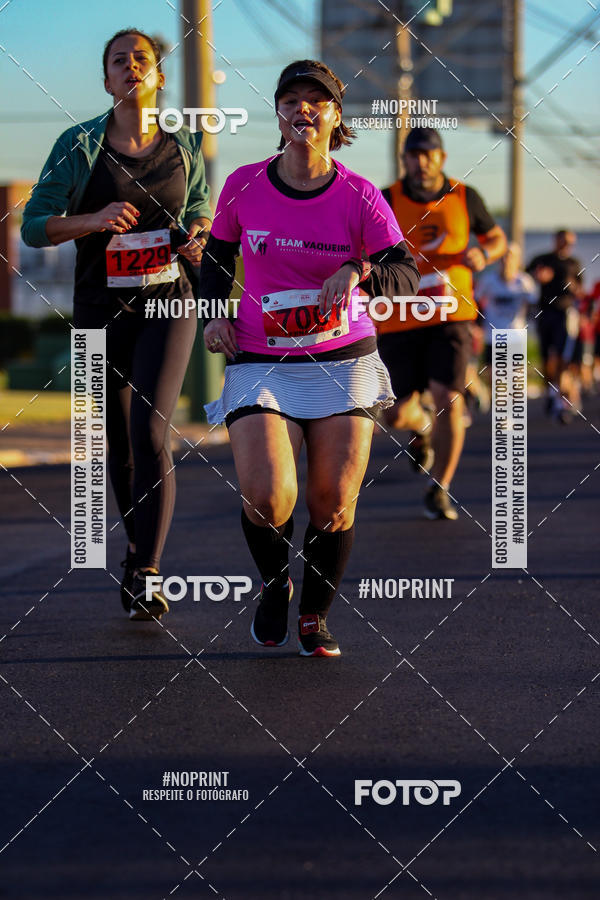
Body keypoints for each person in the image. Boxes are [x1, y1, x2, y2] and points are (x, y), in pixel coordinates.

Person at [199, 60, 419, 657]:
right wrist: (213, 313)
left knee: (331, 501)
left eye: (316, 101)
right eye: (291, 100)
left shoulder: (359, 194)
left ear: (335, 116)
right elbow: (216, 260)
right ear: (278, 114)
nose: (303, 109)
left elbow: (405, 271)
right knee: (269, 497)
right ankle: (275, 586)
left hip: (341, 357)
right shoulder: (244, 183)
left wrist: (359, 268)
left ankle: (314, 614)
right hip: (260, 357)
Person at [21, 29, 212, 620]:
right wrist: (93, 218)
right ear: (106, 81)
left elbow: (202, 208)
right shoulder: (78, 146)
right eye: (118, 61)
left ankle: (148, 571)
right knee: (117, 444)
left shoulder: (182, 148)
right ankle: (134, 556)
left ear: (157, 77)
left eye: (142, 60)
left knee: (152, 432)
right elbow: (34, 225)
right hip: (99, 308)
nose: (131, 67)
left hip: (168, 303)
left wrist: (198, 239)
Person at [378, 127, 507, 520]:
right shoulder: (387, 199)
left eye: (427, 155)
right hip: (400, 318)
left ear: (441, 158)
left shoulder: (465, 197)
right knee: (395, 414)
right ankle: (422, 429)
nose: (420, 163)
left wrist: (483, 255)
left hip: (451, 315)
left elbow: (497, 238)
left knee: (448, 395)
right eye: (412, 156)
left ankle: (441, 486)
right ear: (405, 161)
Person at [526, 229, 583, 423]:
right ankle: (551, 392)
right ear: (556, 240)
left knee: (561, 358)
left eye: (570, 242)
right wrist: (537, 276)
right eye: (564, 241)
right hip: (544, 313)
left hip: (564, 315)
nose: (567, 245)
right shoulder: (541, 259)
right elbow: (524, 279)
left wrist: (573, 286)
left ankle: (562, 403)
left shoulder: (574, 264)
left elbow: (580, 289)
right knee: (546, 359)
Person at [476, 241, 537, 381]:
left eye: (510, 256)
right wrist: (478, 326)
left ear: (517, 260)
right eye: (503, 256)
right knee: (493, 376)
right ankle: (494, 401)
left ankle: (509, 401)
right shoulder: (488, 280)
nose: (506, 260)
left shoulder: (524, 282)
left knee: (513, 377)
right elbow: (476, 302)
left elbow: (534, 306)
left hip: (516, 334)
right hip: (493, 335)